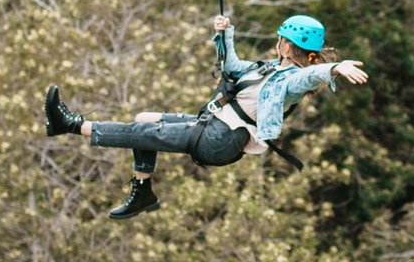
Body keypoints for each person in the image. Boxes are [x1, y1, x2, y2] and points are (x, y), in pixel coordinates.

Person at [43, 14, 369, 219]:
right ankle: (142, 191)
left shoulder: (290, 80)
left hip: (221, 140)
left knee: (144, 133)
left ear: (286, 46)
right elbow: (232, 66)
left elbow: (309, 77)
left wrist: (334, 69)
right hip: (214, 124)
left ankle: (71, 125)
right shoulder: (267, 68)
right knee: (144, 119)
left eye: (279, 40)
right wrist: (225, 34)